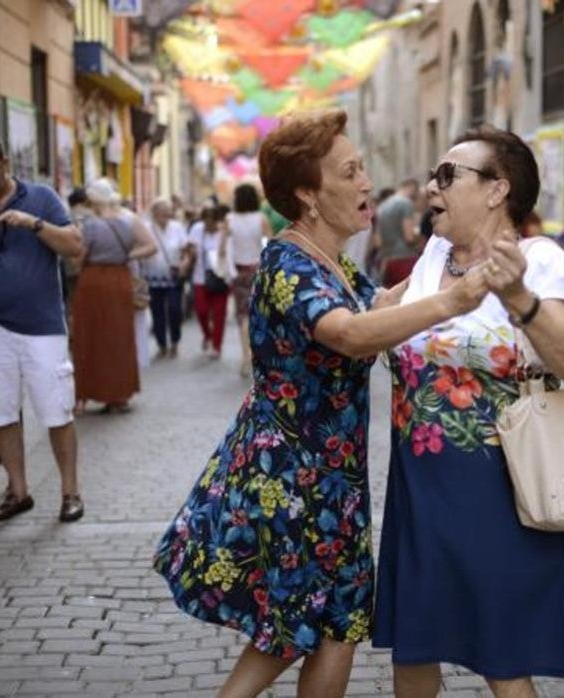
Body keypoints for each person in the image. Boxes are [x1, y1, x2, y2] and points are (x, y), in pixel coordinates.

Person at [153, 109, 488, 697]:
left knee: (337, 627)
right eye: (351, 171)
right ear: (308, 194)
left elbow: (377, 305)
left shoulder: (329, 259)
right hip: (291, 484)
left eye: (363, 168)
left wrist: (446, 256)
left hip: (333, 484)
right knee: (294, 631)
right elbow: (350, 334)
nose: (366, 183)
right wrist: (454, 298)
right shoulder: (287, 264)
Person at [375, 126, 564, 696]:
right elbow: (379, 321)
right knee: (414, 647)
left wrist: (519, 298)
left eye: (448, 176)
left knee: (504, 660)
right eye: (434, 175)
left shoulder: (539, 259)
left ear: (498, 190)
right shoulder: (433, 255)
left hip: (501, 488)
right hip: (420, 488)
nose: (431, 187)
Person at [0, 131, 86, 523]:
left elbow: (74, 246)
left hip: (43, 326)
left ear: (5, 163)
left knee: (57, 410)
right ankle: (18, 490)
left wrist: (34, 224)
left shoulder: (40, 198)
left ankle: (70, 493)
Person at [71, 179, 156, 413]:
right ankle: (119, 394)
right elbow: (149, 246)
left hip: (93, 282)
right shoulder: (127, 222)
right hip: (120, 280)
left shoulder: (90, 225)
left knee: (89, 337)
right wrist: (127, 256)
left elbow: (79, 259)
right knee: (119, 339)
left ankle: (84, 394)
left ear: (94, 200)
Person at [223, 184, 274, 375]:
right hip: (258, 271)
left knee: (242, 315)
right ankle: (258, 354)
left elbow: (221, 249)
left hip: (238, 272)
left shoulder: (229, 220)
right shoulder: (261, 219)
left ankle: (246, 357)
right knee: (259, 314)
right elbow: (270, 245)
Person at [144, 198, 192, 359]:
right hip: (153, 277)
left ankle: (175, 342)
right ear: (154, 212)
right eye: (161, 210)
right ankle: (162, 345)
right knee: (157, 312)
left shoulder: (177, 227)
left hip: (174, 276)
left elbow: (187, 251)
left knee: (175, 309)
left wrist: (184, 264)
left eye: (167, 210)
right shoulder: (147, 228)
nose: (165, 213)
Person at [190, 206, 231, 358]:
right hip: (200, 276)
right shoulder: (196, 229)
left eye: (211, 222)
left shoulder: (224, 231)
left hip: (220, 277)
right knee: (201, 311)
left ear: (217, 220)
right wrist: (190, 255)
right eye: (206, 221)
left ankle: (216, 346)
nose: (208, 225)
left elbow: (230, 251)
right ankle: (207, 334)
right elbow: (191, 248)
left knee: (219, 314)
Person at [373, 179, 420, 280]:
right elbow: (409, 237)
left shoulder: (382, 206)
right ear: (412, 188)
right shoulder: (406, 204)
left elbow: (377, 241)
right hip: (404, 258)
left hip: (385, 259)